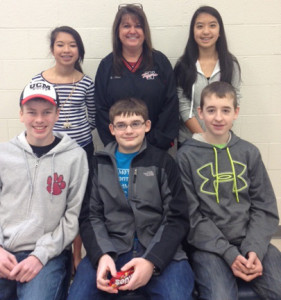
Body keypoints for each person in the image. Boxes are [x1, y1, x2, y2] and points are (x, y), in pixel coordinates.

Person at [68, 98, 194, 299]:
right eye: (121, 125)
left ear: (147, 126)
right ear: (112, 129)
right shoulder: (99, 164)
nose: (128, 130)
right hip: (112, 248)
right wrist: (102, 255)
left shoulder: (163, 162)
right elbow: (90, 217)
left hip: (160, 251)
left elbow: (176, 218)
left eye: (135, 124)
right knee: (78, 295)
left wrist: (152, 260)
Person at [177, 81, 281, 300]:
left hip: (250, 241)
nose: (218, 117)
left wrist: (254, 249)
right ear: (200, 113)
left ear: (236, 113)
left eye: (225, 110)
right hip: (208, 247)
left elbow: (265, 207)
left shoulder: (249, 153)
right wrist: (229, 252)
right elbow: (191, 217)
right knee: (220, 296)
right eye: (211, 110)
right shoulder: (186, 157)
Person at [0, 80, 89, 300]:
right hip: (4, 251)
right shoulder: (4, 154)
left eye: (47, 112)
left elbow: (73, 217)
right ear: (21, 114)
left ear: (57, 114)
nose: (39, 120)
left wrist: (39, 256)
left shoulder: (75, 157)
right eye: (32, 112)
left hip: (49, 255)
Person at [32, 25, 95, 270]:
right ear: (52, 49)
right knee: (52, 202)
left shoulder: (86, 82)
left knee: (77, 204)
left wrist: (75, 132)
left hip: (81, 152)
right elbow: (35, 115)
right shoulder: (40, 81)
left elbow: (92, 117)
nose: (66, 50)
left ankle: (76, 257)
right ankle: (53, 250)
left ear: (79, 50)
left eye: (72, 45)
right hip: (50, 152)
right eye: (61, 45)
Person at [95, 4, 179, 151]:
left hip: (156, 148)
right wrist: (115, 144)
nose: (132, 31)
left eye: (138, 26)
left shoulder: (160, 62)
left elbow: (170, 104)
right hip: (119, 149)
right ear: (118, 31)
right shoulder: (106, 66)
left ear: (144, 31)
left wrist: (154, 142)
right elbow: (101, 109)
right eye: (126, 26)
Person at [174, 6, 241, 146]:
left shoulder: (230, 65)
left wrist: (218, 133)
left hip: (221, 139)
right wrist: (204, 137)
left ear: (219, 31)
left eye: (212, 25)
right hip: (189, 141)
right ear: (193, 32)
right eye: (200, 26)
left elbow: (235, 99)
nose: (206, 31)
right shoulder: (183, 66)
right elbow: (183, 105)